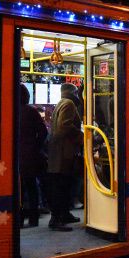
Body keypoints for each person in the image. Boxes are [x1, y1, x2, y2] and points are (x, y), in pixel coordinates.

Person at [46, 82, 82, 231]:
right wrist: (80, 135)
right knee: (61, 185)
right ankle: (56, 219)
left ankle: (64, 214)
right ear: (73, 92)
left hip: (57, 151)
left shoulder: (61, 102)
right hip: (64, 151)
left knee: (61, 184)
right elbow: (64, 125)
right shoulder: (69, 104)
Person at [18, 84, 48, 228]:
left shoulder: (8, 111)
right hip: (30, 155)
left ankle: (19, 218)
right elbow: (43, 132)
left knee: (18, 188)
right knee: (31, 187)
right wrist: (36, 146)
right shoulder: (31, 111)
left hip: (15, 157)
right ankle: (33, 217)